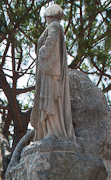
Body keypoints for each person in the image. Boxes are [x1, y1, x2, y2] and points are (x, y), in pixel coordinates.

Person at [30, 4, 76, 143]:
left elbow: (50, 43)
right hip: (51, 72)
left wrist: (42, 51)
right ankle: (51, 131)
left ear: (49, 15)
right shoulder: (57, 27)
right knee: (52, 102)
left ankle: (53, 132)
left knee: (51, 101)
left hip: (50, 73)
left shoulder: (54, 27)